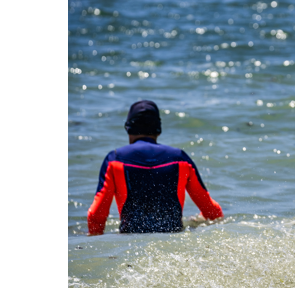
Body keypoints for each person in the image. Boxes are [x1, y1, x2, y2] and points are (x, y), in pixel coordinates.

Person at [87, 100, 223, 235]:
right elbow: (212, 212)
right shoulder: (180, 159)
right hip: (174, 240)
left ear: (128, 128)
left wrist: (92, 238)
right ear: (158, 130)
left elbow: (96, 215)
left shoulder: (115, 160)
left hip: (130, 243)